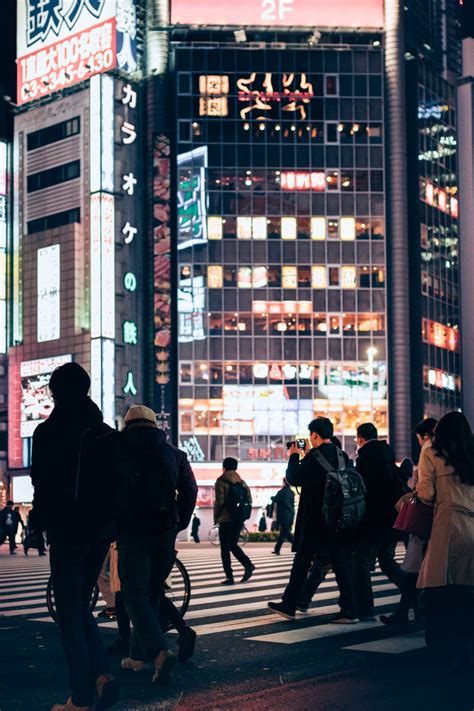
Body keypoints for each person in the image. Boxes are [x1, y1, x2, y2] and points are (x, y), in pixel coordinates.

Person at [30, 362, 122, 711]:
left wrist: (40, 523)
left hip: (67, 529)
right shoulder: (106, 433)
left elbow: (42, 483)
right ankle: (99, 676)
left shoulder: (48, 432)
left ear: (56, 392)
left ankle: (83, 695)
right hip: (100, 530)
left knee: (70, 613)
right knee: (78, 607)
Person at [117, 405, 198, 684]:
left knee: (134, 594)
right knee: (150, 592)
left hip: (131, 531)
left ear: (128, 425)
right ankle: (137, 658)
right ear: (154, 425)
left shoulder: (118, 448)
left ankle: (161, 651)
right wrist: (179, 521)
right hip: (164, 532)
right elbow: (190, 489)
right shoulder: (174, 453)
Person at [268, 417, 359, 623]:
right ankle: (350, 610)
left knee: (301, 563)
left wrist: (294, 455)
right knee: (341, 563)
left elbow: (293, 478)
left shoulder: (314, 456)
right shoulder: (343, 455)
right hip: (339, 520)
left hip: (315, 520)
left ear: (315, 435)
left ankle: (289, 604)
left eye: (311, 435)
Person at [416, 411, 474, 667]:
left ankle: (442, 646)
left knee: (440, 585)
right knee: (468, 588)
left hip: (447, 524)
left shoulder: (432, 452)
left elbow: (426, 493)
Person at [380, 418, 437, 628]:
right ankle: (410, 611)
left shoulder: (428, 450)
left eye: (419, 439)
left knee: (414, 568)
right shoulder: (453, 450)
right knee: (422, 569)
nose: (419, 443)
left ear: (425, 436)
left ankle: (407, 612)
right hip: (444, 518)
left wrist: (411, 496)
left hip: (424, 517)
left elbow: (427, 491)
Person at [352, 423, 406, 620]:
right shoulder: (388, 455)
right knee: (386, 561)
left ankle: (365, 609)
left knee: (362, 564)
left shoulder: (365, 458)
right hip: (392, 519)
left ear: (360, 438)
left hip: (372, 522)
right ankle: (414, 592)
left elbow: (364, 492)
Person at [214, 457, 255, 585]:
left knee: (225, 548)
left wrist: (216, 517)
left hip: (226, 519)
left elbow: (219, 502)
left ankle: (229, 577)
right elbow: (249, 499)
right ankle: (248, 564)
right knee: (233, 544)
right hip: (238, 518)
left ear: (224, 467)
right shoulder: (242, 482)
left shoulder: (221, 481)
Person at [271, 479, 294, 555]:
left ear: (284, 482)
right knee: (283, 534)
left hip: (283, 516)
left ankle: (297, 545)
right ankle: (277, 549)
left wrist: (272, 498)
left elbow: (275, 499)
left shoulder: (281, 492)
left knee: (287, 534)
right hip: (290, 515)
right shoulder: (292, 493)